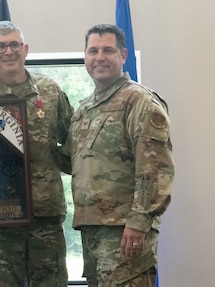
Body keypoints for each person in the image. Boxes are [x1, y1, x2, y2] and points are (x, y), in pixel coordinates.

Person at [63, 24, 175, 287]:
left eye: (107, 50)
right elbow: (71, 162)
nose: (99, 57)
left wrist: (138, 223)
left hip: (125, 232)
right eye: (93, 50)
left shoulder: (139, 101)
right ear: (85, 56)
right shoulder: (84, 110)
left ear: (123, 55)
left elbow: (156, 169)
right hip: (92, 230)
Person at [0, 21, 74, 287]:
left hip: (44, 217)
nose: (8, 51)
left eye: (14, 44)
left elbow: (72, 143)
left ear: (25, 49)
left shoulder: (50, 91)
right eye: (0, 46)